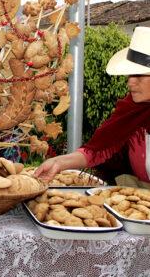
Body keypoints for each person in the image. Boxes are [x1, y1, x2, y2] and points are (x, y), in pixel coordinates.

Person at [34, 26, 150, 186]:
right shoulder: (130, 110)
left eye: (139, 75)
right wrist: (58, 162)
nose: (130, 82)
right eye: (130, 74)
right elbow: (97, 150)